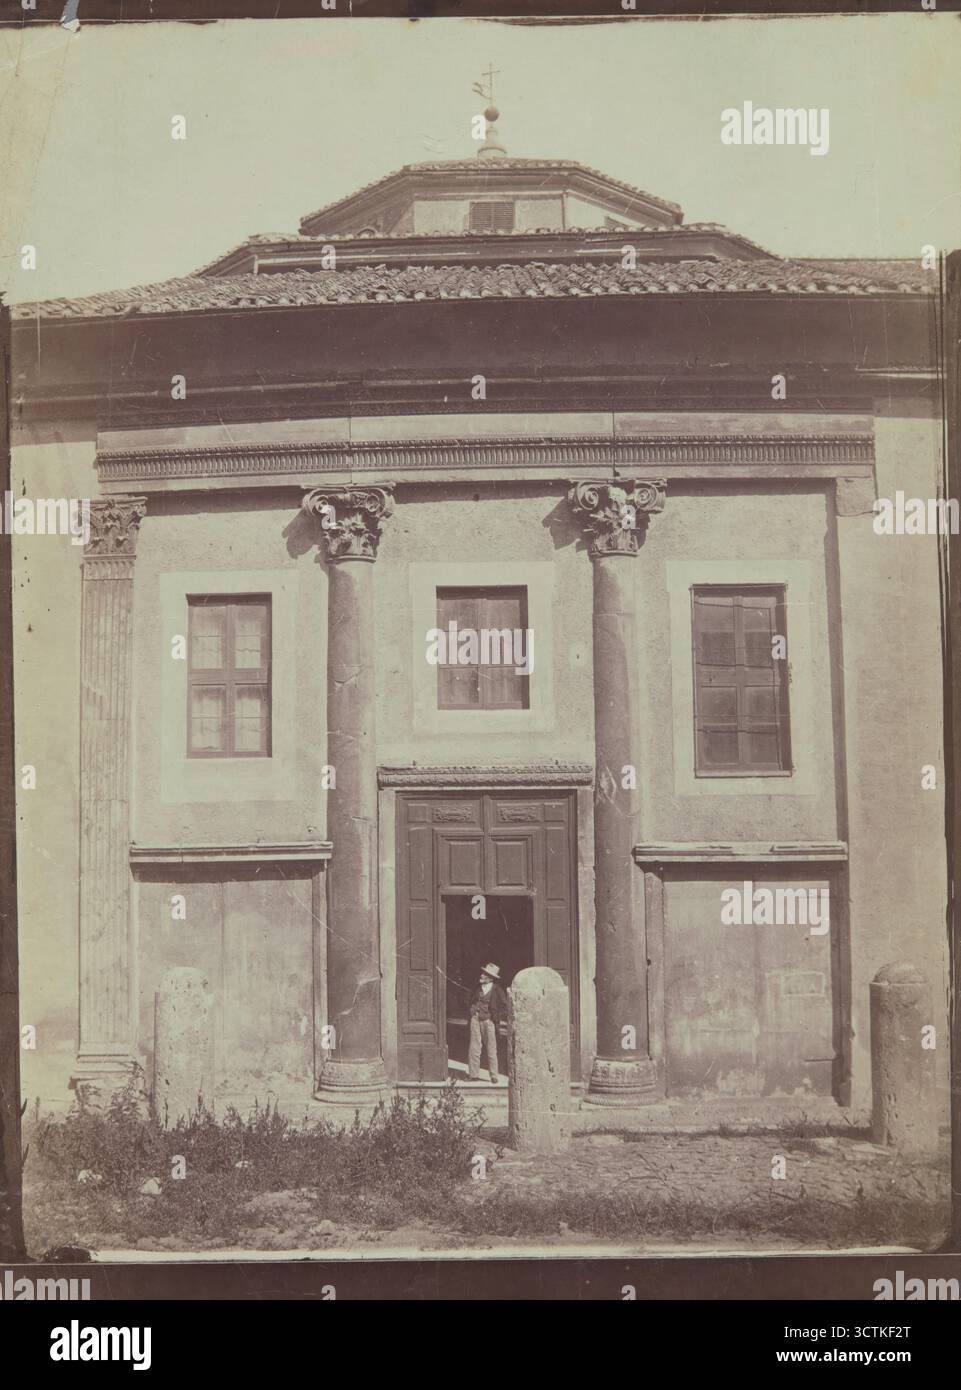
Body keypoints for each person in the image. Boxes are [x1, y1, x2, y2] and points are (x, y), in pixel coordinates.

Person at [468, 963, 508, 1083]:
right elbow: (471, 1000)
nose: (482, 975)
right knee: (474, 1048)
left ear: (490, 978)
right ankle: (473, 1074)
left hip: (489, 1022)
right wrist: (472, 1011)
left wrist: (495, 1017)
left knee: (491, 1049)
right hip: (475, 1020)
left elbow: (505, 1006)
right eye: (483, 973)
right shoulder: (477, 988)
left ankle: (494, 1075)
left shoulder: (497, 990)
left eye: (485, 974)